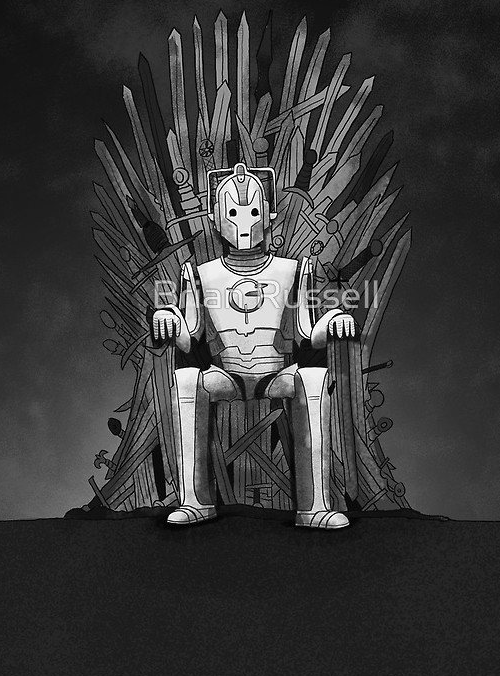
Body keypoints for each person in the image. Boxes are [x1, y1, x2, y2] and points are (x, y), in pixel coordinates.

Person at [152, 162, 355, 529]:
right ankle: (195, 501)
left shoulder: (293, 271)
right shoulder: (199, 275)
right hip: (225, 374)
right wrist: (169, 317)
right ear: (215, 219)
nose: (244, 223)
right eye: (233, 213)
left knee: (313, 378)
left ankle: (315, 507)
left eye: (253, 212)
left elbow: (308, 333)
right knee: (186, 381)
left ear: (269, 215)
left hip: (276, 372)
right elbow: (190, 334)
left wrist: (332, 320)